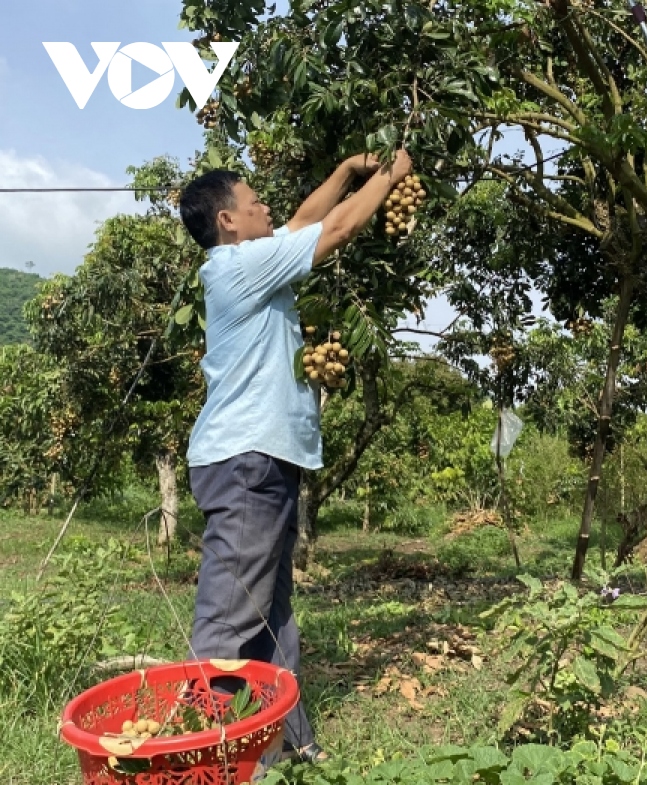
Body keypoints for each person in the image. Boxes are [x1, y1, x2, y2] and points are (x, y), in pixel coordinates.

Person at [178, 149, 413, 763]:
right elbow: (334, 229)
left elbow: (304, 222)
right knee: (229, 621)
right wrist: (392, 175)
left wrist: (344, 170)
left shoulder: (251, 259)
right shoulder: (237, 266)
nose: (266, 207)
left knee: (272, 620)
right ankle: (197, 758)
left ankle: (289, 752)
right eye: (254, 201)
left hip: (262, 461)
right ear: (228, 220)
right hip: (246, 459)